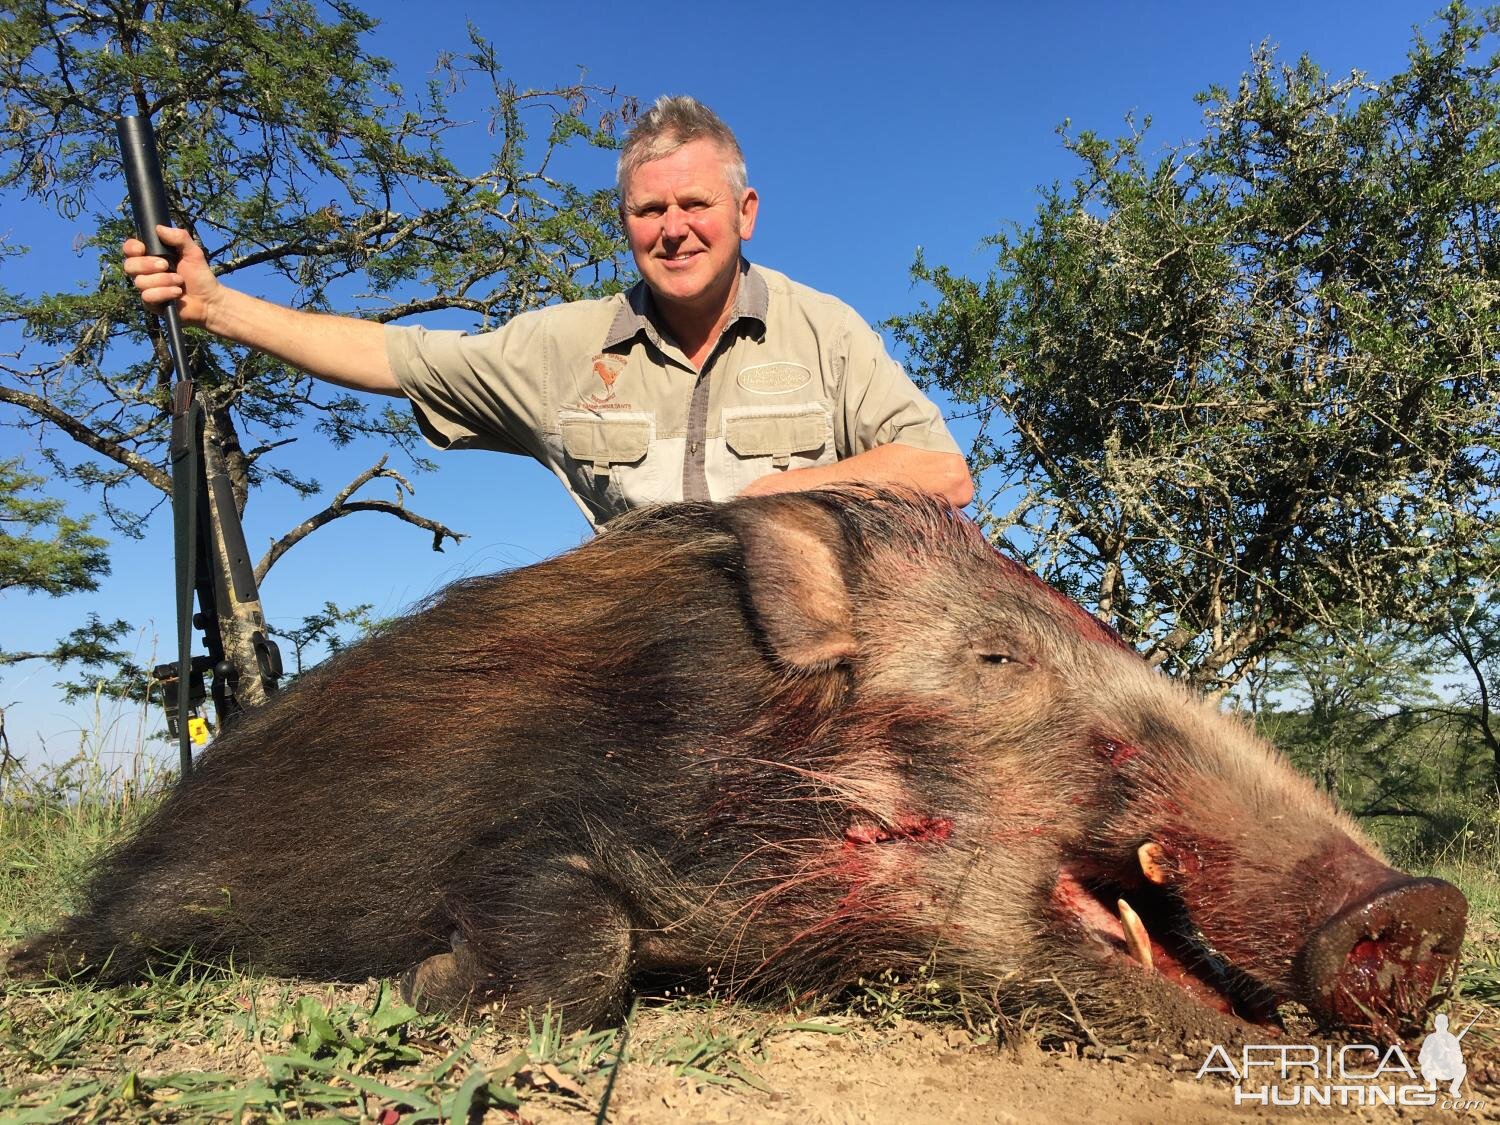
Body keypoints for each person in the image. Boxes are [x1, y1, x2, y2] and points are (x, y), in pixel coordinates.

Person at [124, 96, 973, 529]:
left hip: (807, 667)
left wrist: (781, 492)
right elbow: (398, 358)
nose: (673, 229)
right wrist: (220, 306)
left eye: (695, 204)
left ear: (745, 211)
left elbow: (943, 473)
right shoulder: (566, 345)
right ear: (625, 225)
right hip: (644, 661)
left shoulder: (824, 328)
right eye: (649, 212)